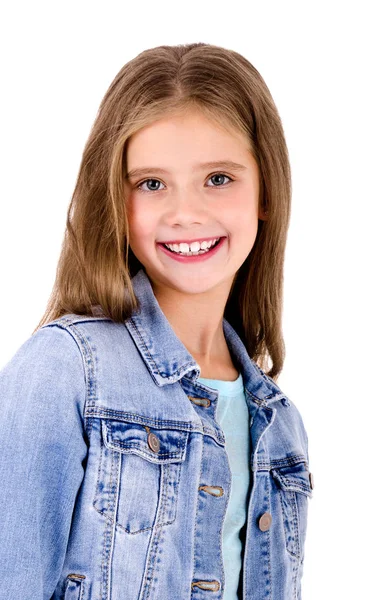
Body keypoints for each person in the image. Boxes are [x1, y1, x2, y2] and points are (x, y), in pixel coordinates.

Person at [0, 42, 313, 600]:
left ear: (265, 189)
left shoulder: (279, 424)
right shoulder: (64, 371)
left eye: (218, 178)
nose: (185, 212)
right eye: (151, 183)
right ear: (115, 199)